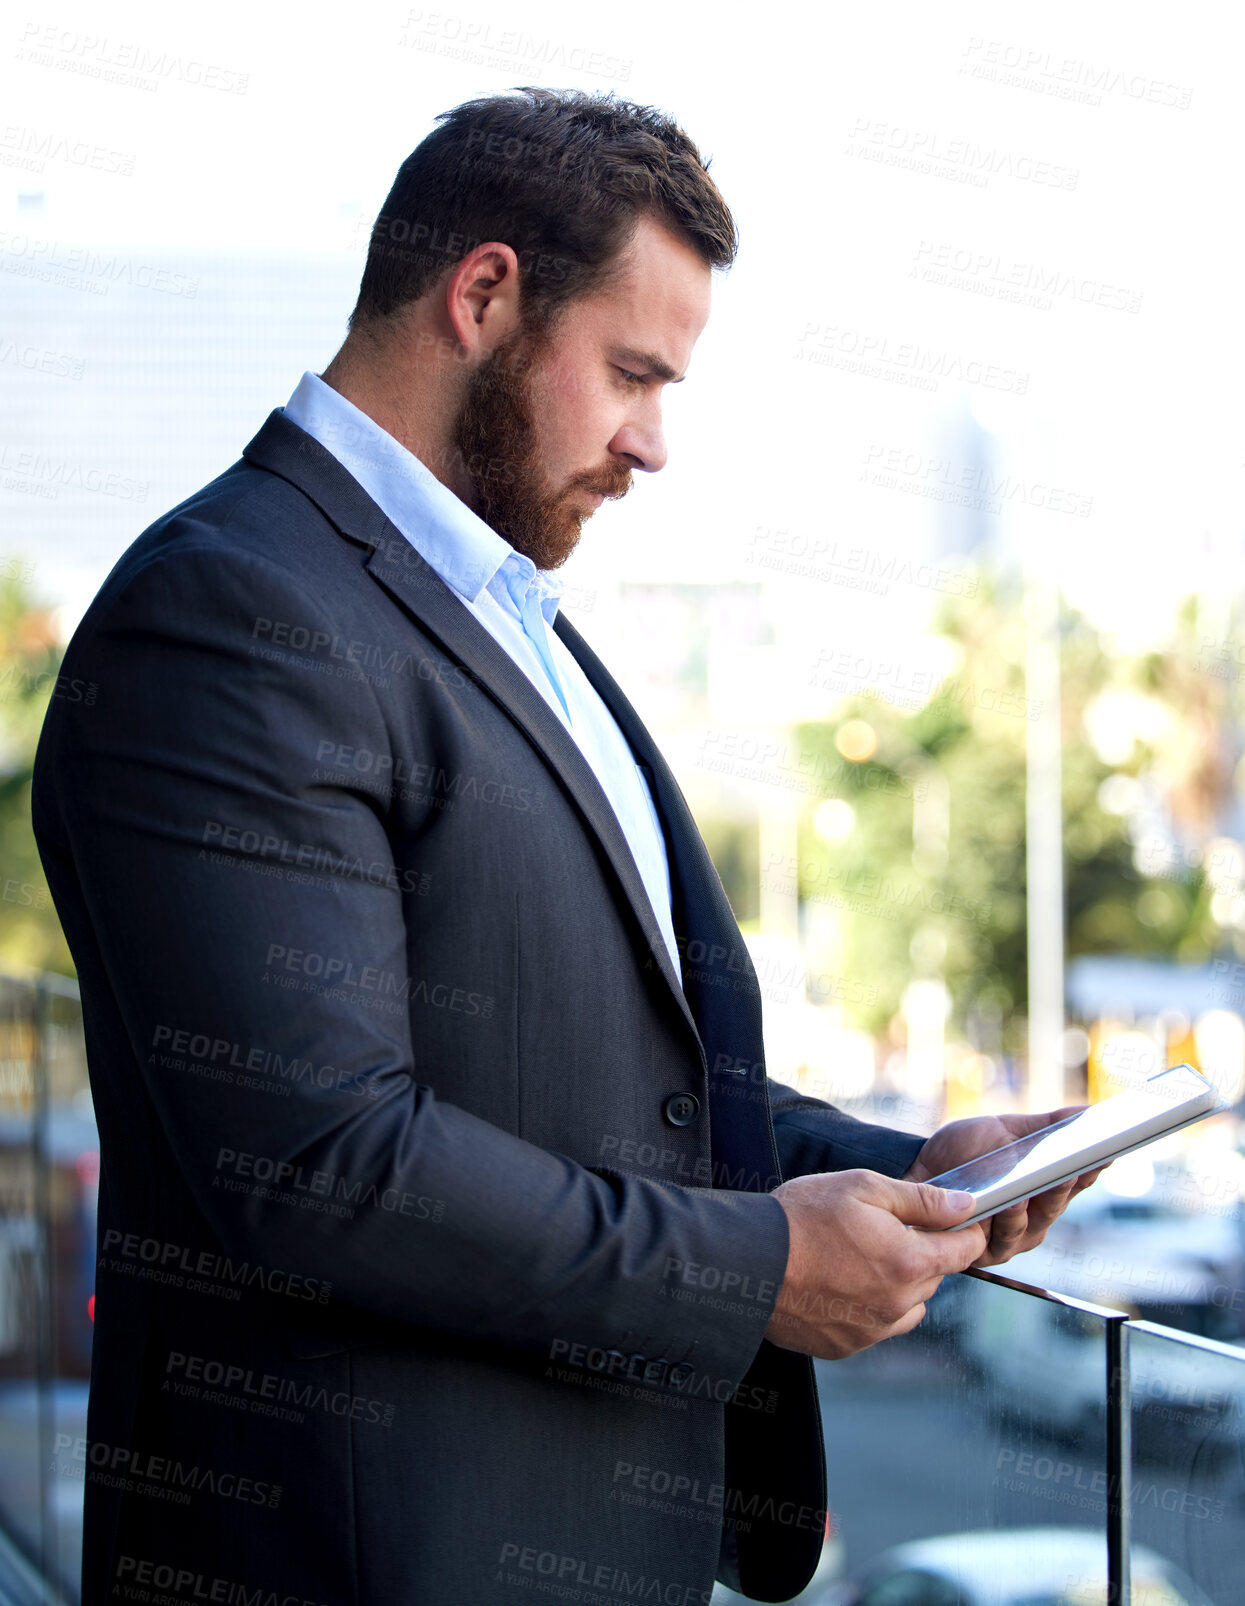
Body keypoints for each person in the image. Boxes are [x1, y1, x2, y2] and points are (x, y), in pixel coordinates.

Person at [33, 87, 1098, 1606]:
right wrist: (757, 1269)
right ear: (482, 295)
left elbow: (606, 1083)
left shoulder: (504, 617)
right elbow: (317, 1161)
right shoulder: (228, 613)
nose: (652, 444)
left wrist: (901, 1175)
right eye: (632, 374)